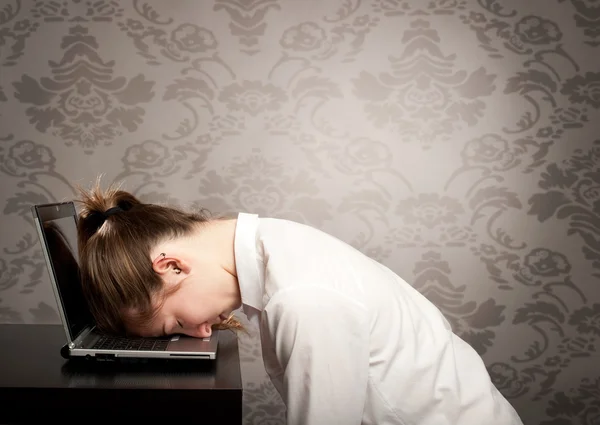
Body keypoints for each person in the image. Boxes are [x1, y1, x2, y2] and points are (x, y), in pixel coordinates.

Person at [76, 180, 523, 425]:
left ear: (172, 266)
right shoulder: (277, 242)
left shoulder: (303, 298)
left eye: (172, 321)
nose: (200, 333)